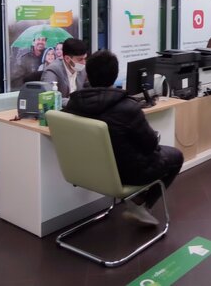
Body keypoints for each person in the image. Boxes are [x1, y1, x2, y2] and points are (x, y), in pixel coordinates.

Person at [64, 50, 184, 226]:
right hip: (127, 174)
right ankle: (141, 205)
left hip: (89, 171)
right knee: (176, 156)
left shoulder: (74, 103)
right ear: (114, 77)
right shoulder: (128, 107)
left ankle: (137, 201)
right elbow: (150, 144)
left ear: (88, 75)